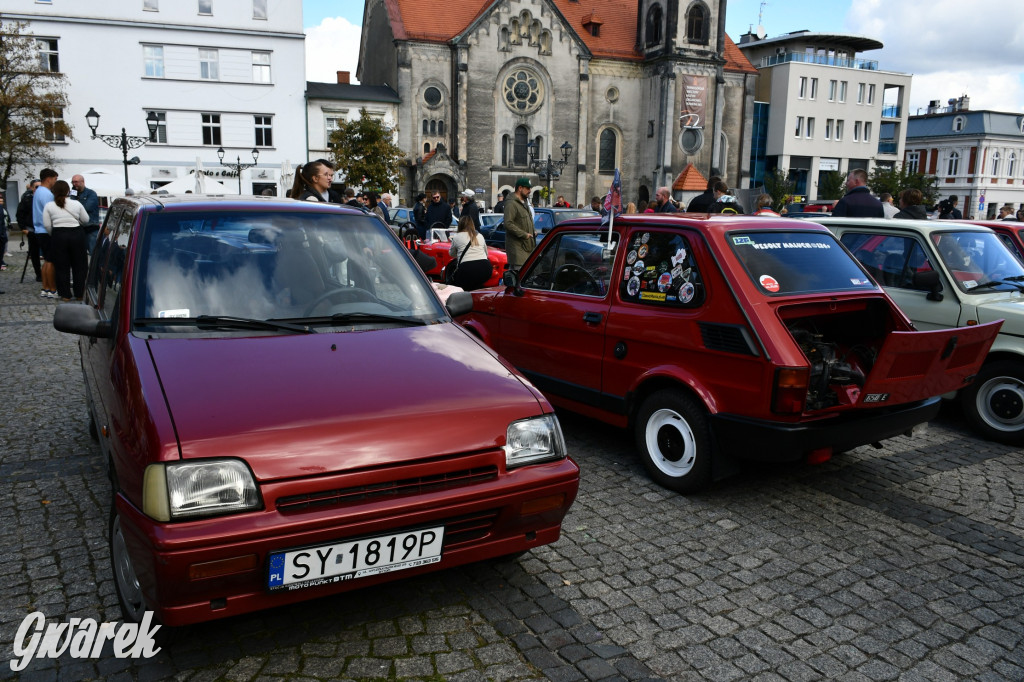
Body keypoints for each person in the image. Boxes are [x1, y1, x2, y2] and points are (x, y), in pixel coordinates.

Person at [42, 180, 89, 301]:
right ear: (68, 191)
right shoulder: (76, 204)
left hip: (58, 235)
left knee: (61, 266)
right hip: (76, 234)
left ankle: (65, 294)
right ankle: (79, 293)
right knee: (79, 265)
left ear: (54, 192)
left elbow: (47, 225)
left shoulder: (49, 206)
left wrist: (55, 234)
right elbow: (86, 219)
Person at [33, 168, 59, 298]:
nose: (55, 182)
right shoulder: (46, 194)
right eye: (55, 179)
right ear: (49, 179)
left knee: (47, 260)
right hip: (46, 229)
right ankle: (52, 289)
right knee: (51, 261)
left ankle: (45, 287)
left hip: (39, 229)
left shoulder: (38, 191)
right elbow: (51, 212)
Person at [448, 214, 491, 290]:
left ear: (460, 224)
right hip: (485, 267)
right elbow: (486, 253)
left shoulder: (457, 237)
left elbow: (452, 254)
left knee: (463, 289)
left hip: (467, 268)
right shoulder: (480, 236)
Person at [503, 177, 535, 271]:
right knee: (519, 279)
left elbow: (527, 221)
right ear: (520, 188)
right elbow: (508, 224)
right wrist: (524, 235)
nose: (530, 191)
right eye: (527, 188)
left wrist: (533, 231)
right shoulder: (511, 203)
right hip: (518, 251)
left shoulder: (524, 203)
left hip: (527, 248)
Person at [17, 180, 41, 282]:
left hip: (45, 230)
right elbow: (20, 215)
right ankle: (38, 274)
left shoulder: (46, 198)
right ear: (31, 188)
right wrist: (23, 229)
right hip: (32, 230)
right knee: (34, 253)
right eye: (36, 187)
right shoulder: (27, 200)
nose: (38, 189)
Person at [70, 174, 101, 253]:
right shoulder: (73, 193)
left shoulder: (91, 193)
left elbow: (86, 207)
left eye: (76, 182)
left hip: (91, 228)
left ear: (82, 182)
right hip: (78, 229)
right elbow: (70, 207)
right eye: (72, 182)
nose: (74, 184)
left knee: (93, 253)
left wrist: (75, 205)